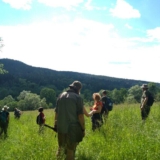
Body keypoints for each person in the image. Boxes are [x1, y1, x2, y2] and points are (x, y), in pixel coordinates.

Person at [54, 80, 85, 160]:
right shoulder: (78, 98)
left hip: (60, 127)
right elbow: (80, 116)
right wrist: (83, 129)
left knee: (60, 148)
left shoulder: (60, 96)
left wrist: (56, 125)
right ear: (78, 89)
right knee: (70, 151)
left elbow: (56, 113)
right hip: (72, 129)